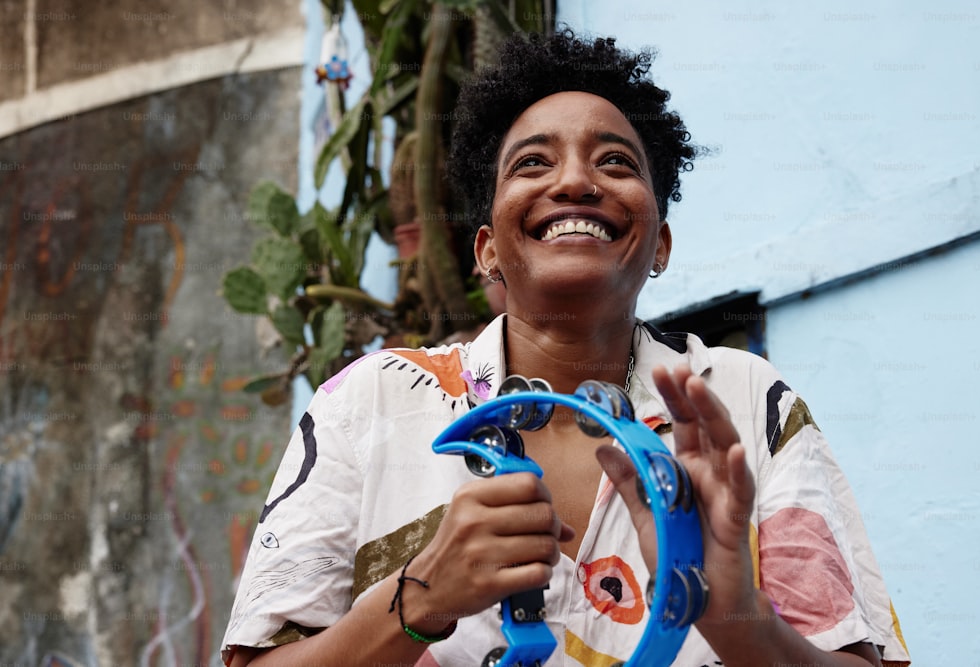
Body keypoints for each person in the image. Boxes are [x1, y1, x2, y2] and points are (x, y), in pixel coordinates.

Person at [221, 29, 910, 667]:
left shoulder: (742, 400)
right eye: (533, 162)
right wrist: (421, 599)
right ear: (488, 249)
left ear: (660, 245)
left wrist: (734, 614)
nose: (576, 181)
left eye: (615, 161)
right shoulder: (368, 403)